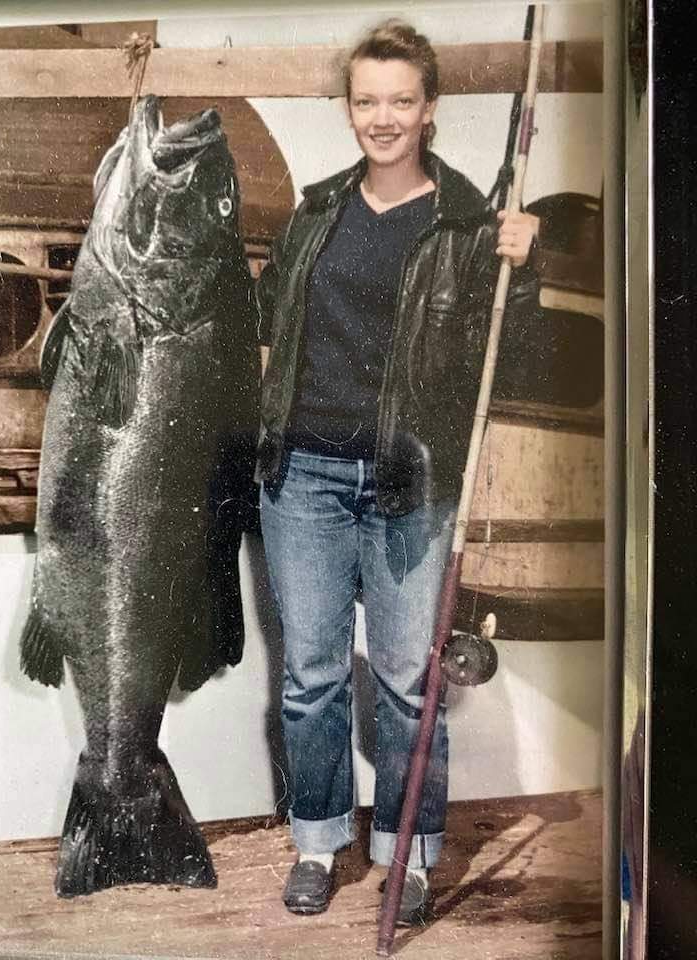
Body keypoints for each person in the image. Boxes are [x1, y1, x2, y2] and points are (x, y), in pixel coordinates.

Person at [255, 19, 541, 925]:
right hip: (303, 476)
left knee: (410, 683)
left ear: (429, 111)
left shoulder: (469, 224)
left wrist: (523, 273)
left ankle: (410, 857)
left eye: (401, 101)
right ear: (350, 108)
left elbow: (513, 352)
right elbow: (271, 324)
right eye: (367, 99)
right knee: (310, 675)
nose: (383, 117)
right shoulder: (315, 210)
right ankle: (317, 841)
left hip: (410, 486)